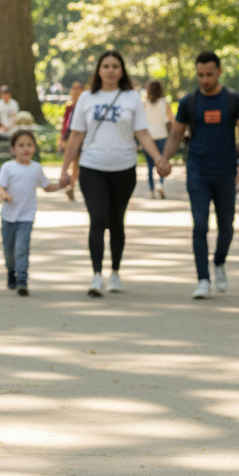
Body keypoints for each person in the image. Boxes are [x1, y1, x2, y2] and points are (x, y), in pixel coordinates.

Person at [58, 50, 168, 297]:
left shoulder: (131, 99)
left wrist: (158, 158)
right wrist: (65, 169)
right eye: (106, 66)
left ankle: (115, 272)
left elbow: (142, 133)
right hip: (92, 168)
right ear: (98, 70)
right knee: (97, 219)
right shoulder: (87, 98)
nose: (110, 70)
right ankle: (97, 275)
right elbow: (75, 135)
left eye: (115, 66)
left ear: (122, 71)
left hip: (124, 168)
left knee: (117, 221)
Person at [159, 51, 239, 300]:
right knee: (200, 226)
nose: (204, 79)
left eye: (209, 74)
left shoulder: (233, 99)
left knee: (226, 227)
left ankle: (219, 262)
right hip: (197, 170)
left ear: (219, 72)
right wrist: (164, 158)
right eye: (200, 75)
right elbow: (176, 134)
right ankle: (202, 278)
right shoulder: (189, 102)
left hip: (225, 171)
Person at [0, 128, 63, 296]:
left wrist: (61, 185)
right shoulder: (8, 167)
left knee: (22, 249)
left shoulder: (36, 168)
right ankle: (11, 271)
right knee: (9, 251)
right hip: (8, 217)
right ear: (13, 149)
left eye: (29, 145)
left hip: (26, 217)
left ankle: (22, 280)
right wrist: (4, 194)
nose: (25, 148)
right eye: (20, 145)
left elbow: (46, 186)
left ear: (34, 148)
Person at [142, 80, 173, 199]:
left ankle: (151, 190)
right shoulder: (165, 103)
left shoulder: (144, 104)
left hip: (148, 138)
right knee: (162, 162)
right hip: (162, 137)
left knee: (150, 165)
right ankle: (160, 184)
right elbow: (170, 121)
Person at [58, 82, 84, 201]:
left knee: (76, 165)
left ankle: (72, 186)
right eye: (74, 91)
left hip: (82, 136)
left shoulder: (85, 106)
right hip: (70, 136)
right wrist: (62, 138)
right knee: (71, 161)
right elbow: (65, 124)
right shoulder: (69, 107)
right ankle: (70, 184)